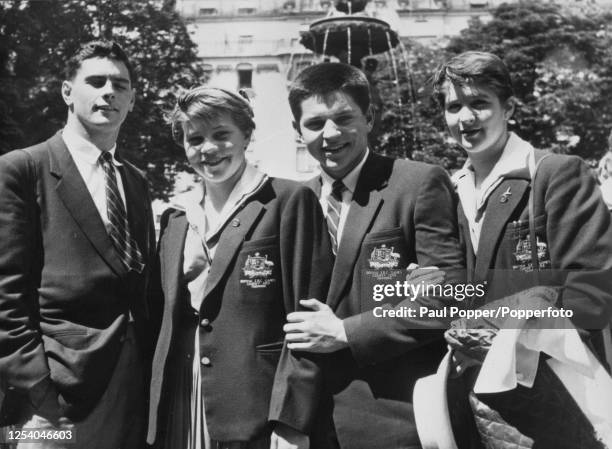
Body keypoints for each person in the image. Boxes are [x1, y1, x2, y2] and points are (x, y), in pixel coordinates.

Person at [432, 51, 612, 448]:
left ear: (509, 107)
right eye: (454, 105)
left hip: (555, 400)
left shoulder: (554, 173)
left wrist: (505, 326)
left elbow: (593, 296)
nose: (466, 118)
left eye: (479, 103)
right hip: (473, 404)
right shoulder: (447, 190)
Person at [283, 62, 465, 449]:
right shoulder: (292, 202)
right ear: (297, 132)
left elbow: (445, 298)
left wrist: (346, 332)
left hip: (393, 419)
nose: (330, 134)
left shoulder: (417, 183)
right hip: (307, 423)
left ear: (369, 118)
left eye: (344, 118)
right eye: (314, 124)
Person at [146, 87, 335, 449]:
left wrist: (293, 420)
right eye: (195, 138)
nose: (208, 149)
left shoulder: (287, 201)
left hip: (257, 403)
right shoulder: (176, 217)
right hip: (182, 394)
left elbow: (307, 321)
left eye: (221, 135)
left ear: (246, 135)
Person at [0, 40, 156, 448]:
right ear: (67, 91)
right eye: (96, 81)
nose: (109, 91)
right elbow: (5, 294)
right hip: (53, 400)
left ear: (132, 99)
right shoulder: (23, 169)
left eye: (120, 85)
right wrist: (38, 387)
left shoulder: (135, 182)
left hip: (130, 392)